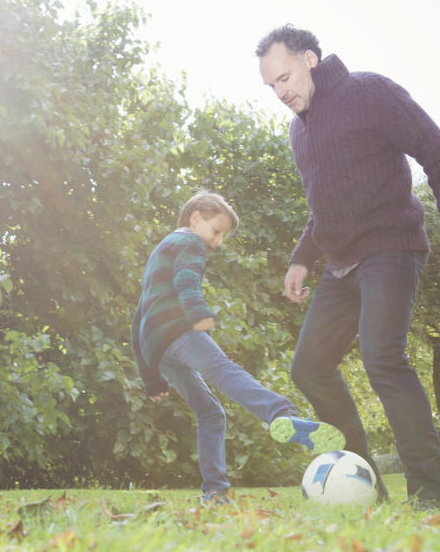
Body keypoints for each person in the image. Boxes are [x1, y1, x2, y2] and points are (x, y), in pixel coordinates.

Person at [256, 24, 440, 508]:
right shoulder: (300, 130)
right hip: (341, 265)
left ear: (310, 59)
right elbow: (323, 210)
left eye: (285, 77)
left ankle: (431, 494)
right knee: (309, 367)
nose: (281, 91)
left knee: (383, 358)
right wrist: (300, 259)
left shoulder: (368, 91)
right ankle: (363, 485)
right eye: (272, 85)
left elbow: (437, 149)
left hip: (390, 247)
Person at [131, 190, 345, 504]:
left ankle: (214, 493)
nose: (217, 242)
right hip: (179, 329)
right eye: (216, 231)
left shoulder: (159, 251)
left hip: (157, 350)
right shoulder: (190, 242)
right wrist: (198, 313)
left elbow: (138, 319)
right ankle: (281, 414)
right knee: (226, 372)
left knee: (210, 413)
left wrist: (150, 376)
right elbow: (187, 282)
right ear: (195, 218)